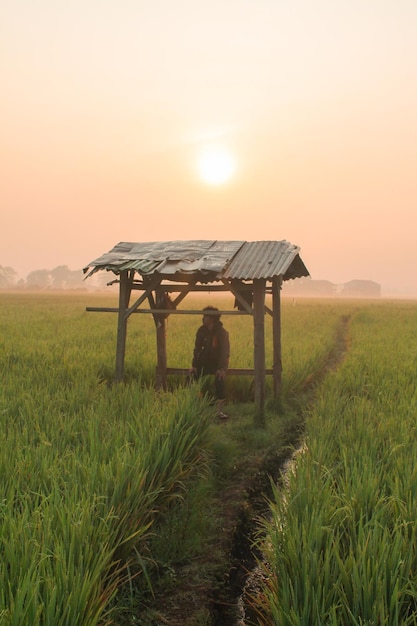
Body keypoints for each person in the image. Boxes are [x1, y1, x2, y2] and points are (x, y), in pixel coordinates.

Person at [190, 306, 230, 419]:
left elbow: (224, 351)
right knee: (191, 378)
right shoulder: (201, 330)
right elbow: (197, 349)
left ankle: (219, 411)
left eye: (206, 316)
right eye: (204, 316)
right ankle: (194, 407)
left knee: (220, 381)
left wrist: (222, 368)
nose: (204, 318)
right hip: (204, 362)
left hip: (217, 363)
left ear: (213, 318)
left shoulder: (221, 332)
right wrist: (194, 365)